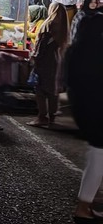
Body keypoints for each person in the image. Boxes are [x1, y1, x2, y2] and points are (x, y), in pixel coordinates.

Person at [64, 13, 103, 222]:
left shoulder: (75, 49)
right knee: (98, 157)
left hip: (83, 109)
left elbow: (67, 80)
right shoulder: (98, 50)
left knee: (96, 156)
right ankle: (84, 206)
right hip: (98, 111)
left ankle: (90, 199)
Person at [27, 2, 70, 127]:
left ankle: (41, 117)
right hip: (58, 62)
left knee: (40, 90)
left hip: (46, 62)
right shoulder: (64, 27)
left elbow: (41, 46)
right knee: (53, 91)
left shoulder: (49, 25)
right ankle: (52, 117)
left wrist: (34, 58)